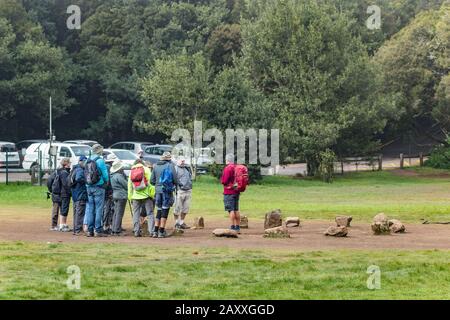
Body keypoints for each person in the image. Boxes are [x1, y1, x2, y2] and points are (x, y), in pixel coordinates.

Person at [150, 152, 178, 238]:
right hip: (166, 190)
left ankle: (155, 231)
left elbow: (152, 180)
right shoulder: (170, 165)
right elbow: (175, 179)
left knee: (159, 210)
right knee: (165, 210)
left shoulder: (155, 166)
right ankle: (161, 231)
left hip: (158, 191)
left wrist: (158, 184)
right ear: (169, 159)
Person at [85, 144, 109, 237]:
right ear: (99, 151)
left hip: (89, 186)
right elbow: (105, 174)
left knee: (91, 208)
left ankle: (90, 230)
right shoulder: (100, 161)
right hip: (98, 186)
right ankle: (98, 230)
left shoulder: (88, 160)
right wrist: (106, 183)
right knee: (99, 209)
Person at [128, 159, 155, 237]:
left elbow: (129, 186)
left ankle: (136, 231)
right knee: (150, 213)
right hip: (146, 195)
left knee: (136, 214)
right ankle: (151, 231)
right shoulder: (146, 169)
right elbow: (151, 183)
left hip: (135, 196)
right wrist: (152, 195)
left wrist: (130, 197)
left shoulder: (131, 171)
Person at [47, 158, 72, 232]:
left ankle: (54, 225)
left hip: (56, 193)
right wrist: (70, 192)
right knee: (63, 209)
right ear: (66, 163)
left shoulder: (56, 172)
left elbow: (49, 181)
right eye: (69, 163)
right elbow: (66, 184)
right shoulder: (64, 172)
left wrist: (51, 190)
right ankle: (60, 225)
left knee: (56, 209)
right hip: (62, 193)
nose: (70, 164)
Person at [221, 153, 240, 233]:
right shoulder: (237, 167)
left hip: (229, 191)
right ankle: (237, 227)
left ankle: (232, 226)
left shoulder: (228, 168)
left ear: (227, 160)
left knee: (230, 210)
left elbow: (224, 181)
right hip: (236, 191)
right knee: (236, 209)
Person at [174, 157, 193, 229]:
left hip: (188, 190)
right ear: (177, 161)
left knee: (186, 208)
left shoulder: (187, 168)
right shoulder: (175, 169)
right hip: (180, 191)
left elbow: (190, 177)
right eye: (181, 160)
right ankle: (176, 223)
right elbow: (174, 179)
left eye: (183, 160)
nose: (182, 162)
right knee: (177, 208)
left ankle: (181, 222)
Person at [70, 156, 88, 235]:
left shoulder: (74, 169)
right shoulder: (80, 170)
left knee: (76, 212)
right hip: (80, 193)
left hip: (75, 193)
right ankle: (78, 230)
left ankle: (75, 229)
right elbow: (78, 179)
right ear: (81, 161)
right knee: (80, 212)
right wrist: (87, 180)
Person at [110, 160, 128, 236]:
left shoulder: (112, 176)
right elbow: (126, 185)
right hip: (121, 195)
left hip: (115, 195)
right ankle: (117, 230)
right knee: (119, 213)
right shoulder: (119, 176)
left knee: (116, 213)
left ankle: (114, 229)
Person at [103, 154, 117, 233]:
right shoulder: (109, 168)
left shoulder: (105, 166)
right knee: (108, 209)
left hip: (104, 190)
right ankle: (106, 226)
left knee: (106, 209)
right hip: (108, 192)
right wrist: (110, 192)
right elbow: (109, 181)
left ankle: (106, 225)